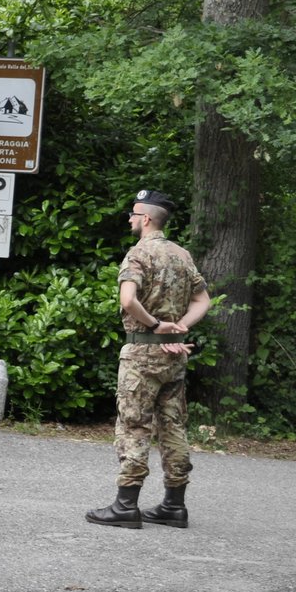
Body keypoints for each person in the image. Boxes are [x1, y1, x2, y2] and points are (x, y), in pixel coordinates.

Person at [87, 189, 211, 529]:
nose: (129, 219)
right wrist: (178, 328)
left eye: (132, 214)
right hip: (174, 355)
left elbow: (128, 300)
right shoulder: (182, 255)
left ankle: (126, 505)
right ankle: (174, 506)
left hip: (142, 354)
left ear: (145, 219)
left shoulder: (138, 253)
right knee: (173, 426)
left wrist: (156, 326)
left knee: (133, 425)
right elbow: (204, 300)